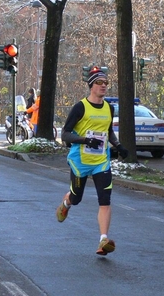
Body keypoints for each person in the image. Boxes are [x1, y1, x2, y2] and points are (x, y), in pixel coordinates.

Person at [56, 69, 128, 256]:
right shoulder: (80, 107)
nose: (103, 85)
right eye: (99, 82)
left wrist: (118, 145)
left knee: (105, 200)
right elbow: (65, 134)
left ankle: (103, 240)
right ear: (91, 85)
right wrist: (84, 140)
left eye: (106, 82)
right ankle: (66, 203)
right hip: (80, 161)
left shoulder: (109, 108)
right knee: (77, 198)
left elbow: (108, 131)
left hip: (101, 162)